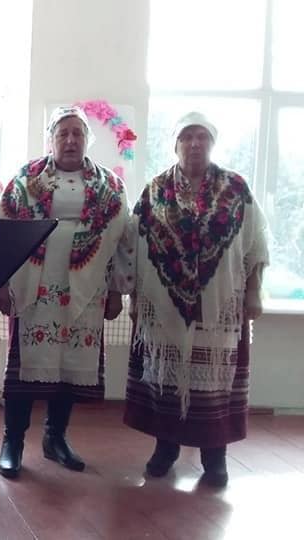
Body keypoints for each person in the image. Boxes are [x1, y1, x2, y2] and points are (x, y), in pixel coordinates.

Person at [123, 112, 268, 488]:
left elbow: (256, 241)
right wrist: (135, 297)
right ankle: (165, 448)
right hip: (164, 305)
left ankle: (214, 457)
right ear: (175, 144)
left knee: (214, 384)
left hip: (219, 306)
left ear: (212, 143)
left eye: (202, 137)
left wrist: (254, 291)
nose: (194, 144)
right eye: (187, 137)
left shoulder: (235, 189)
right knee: (166, 379)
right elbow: (135, 244)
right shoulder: (155, 190)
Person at [0, 105, 132, 479]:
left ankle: (56, 438)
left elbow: (124, 240)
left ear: (87, 139)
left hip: (86, 293)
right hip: (33, 291)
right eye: (63, 133)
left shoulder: (110, 186)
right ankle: (12, 442)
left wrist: (117, 291)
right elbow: (0, 230)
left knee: (69, 369)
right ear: (50, 139)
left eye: (77, 133)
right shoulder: (27, 180)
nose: (70, 140)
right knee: (24, 373)